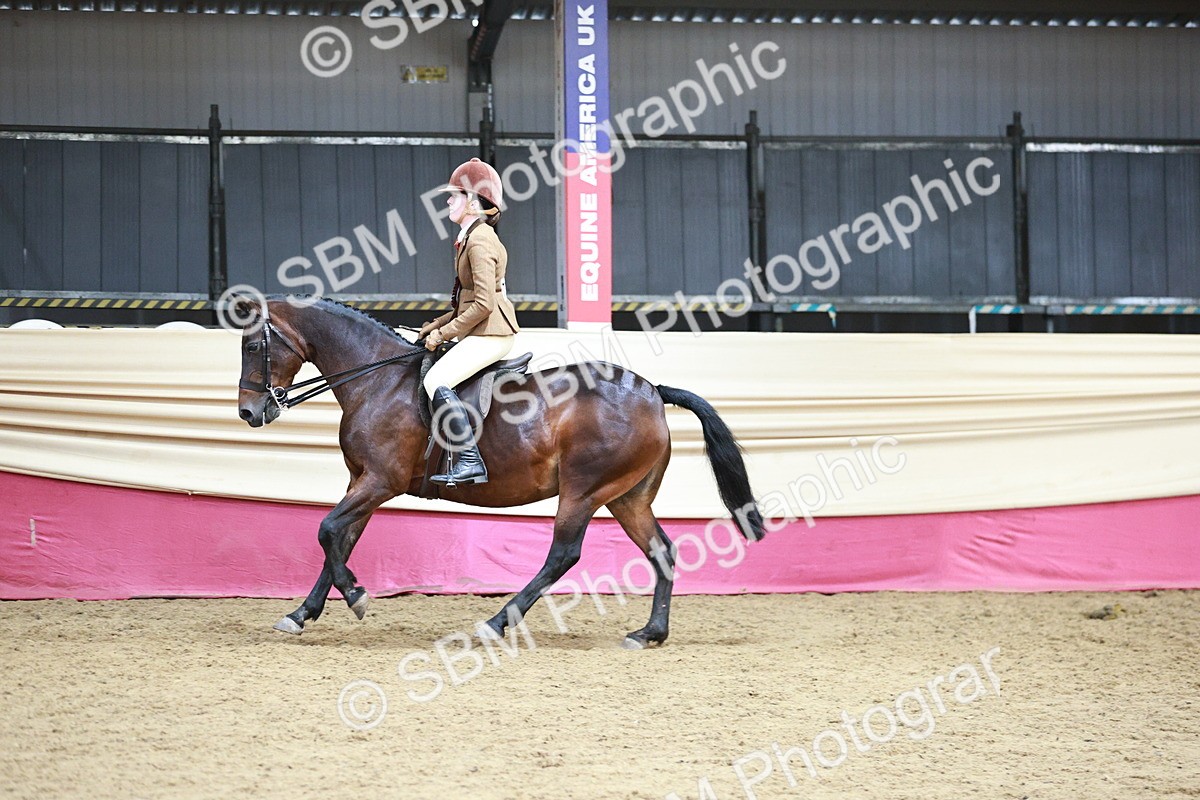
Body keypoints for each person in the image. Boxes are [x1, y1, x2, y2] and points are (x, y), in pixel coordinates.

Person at [419, 158, 520, 486]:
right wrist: (437, 324)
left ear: (474, 203)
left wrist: (443, 335)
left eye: (455, 195)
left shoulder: (479, 241)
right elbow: (467, 300)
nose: (448, 201)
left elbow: (483, 305)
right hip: (483, 327)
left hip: (492, 332)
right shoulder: (472, 237)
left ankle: (469, 460)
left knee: (436, 380)